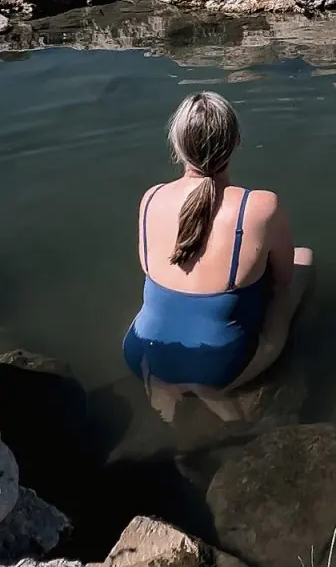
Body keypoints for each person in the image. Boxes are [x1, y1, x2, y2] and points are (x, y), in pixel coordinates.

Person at [123, 91, 312, 418]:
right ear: (236, 141)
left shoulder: (151, 198)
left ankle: (164, 385)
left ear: (177, 146)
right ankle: (217, 395)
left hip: (139, 353)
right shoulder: (261, 207)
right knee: (303, 261)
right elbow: (281, 284)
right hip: (217, 367)